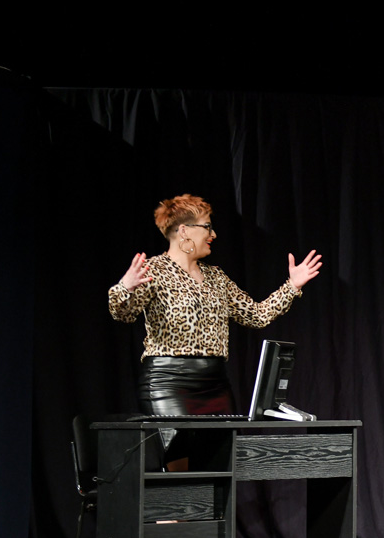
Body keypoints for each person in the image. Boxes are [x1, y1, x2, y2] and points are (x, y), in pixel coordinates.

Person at [109, 194, 322, 463]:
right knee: (180, 466)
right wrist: (124, 288)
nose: (213, 234)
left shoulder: (216, 277)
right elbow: (123, 313)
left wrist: (292, 286)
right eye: (207, 227)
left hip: (215, 385)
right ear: (184, 231)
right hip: (169, 383)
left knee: (221, 468)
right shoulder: (154, 271)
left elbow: (256, 315)